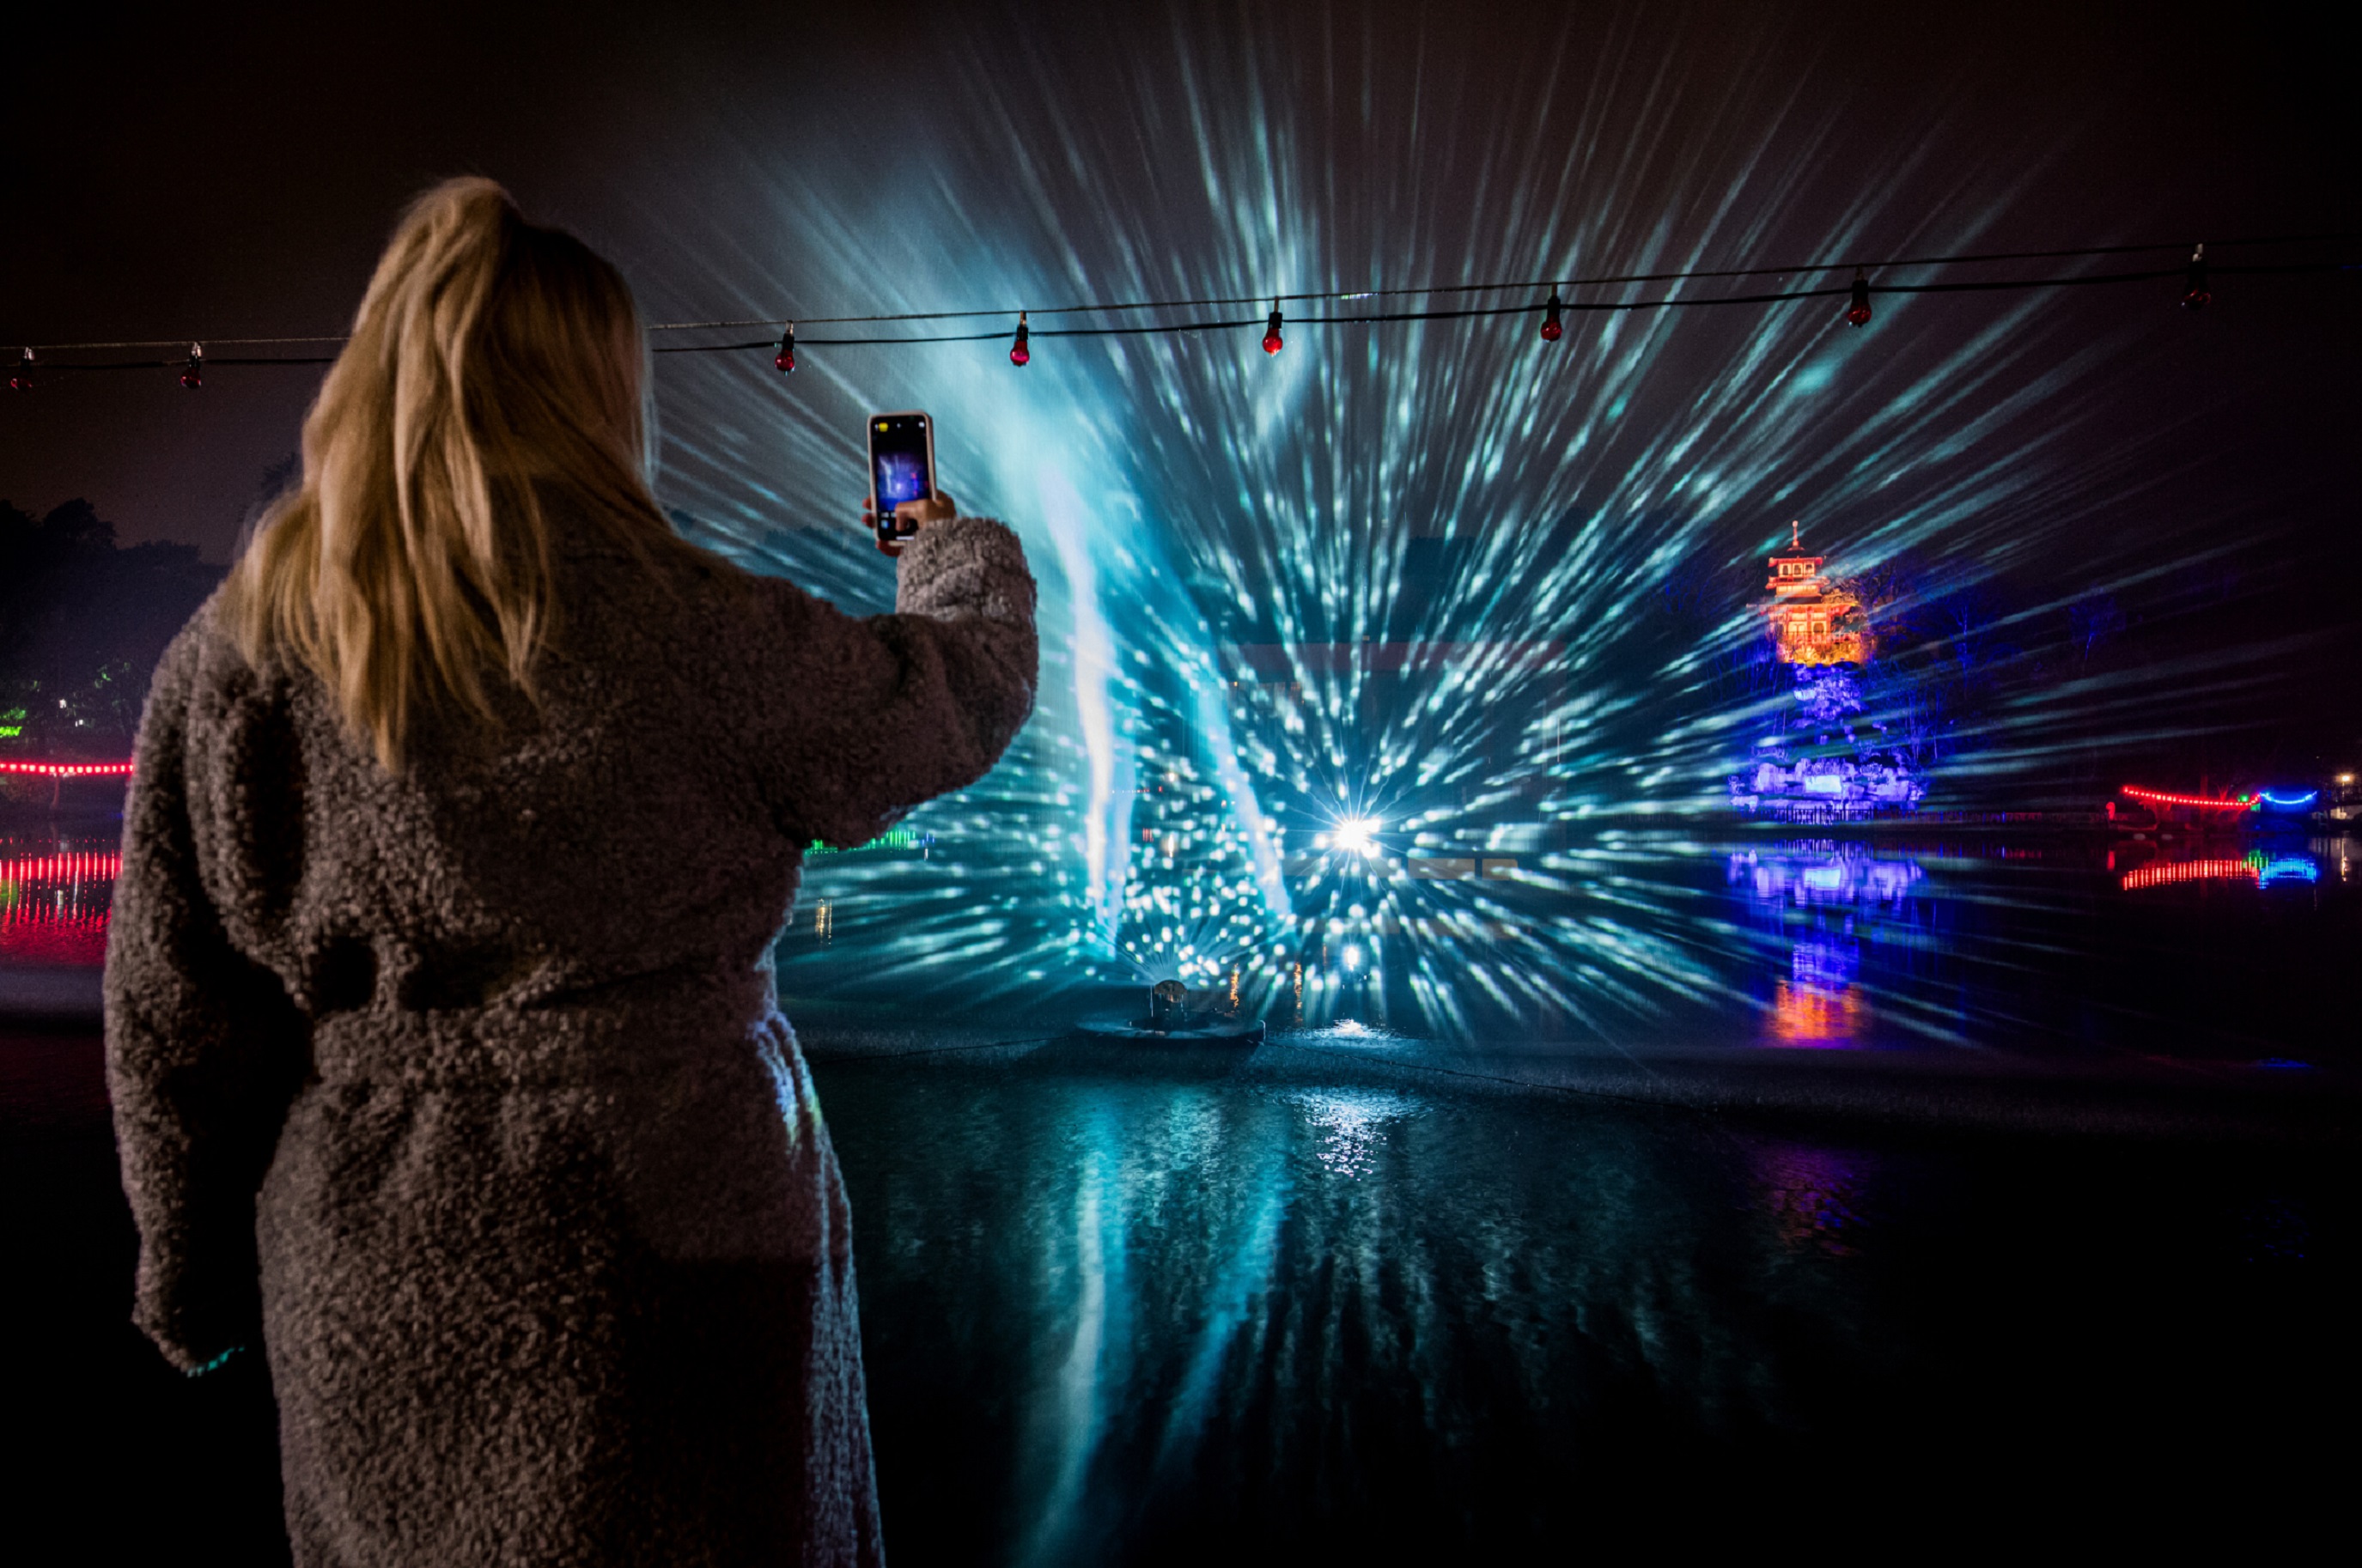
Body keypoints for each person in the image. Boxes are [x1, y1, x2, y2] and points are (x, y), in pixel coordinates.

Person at [103, 177, 1037, 1565]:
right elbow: (960, 689)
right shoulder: (692, 630)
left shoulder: (235, 655)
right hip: (683, 1243)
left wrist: (190, 1286)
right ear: (595, 393)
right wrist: (934, 544)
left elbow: (172, 1018)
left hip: (374, 1262)